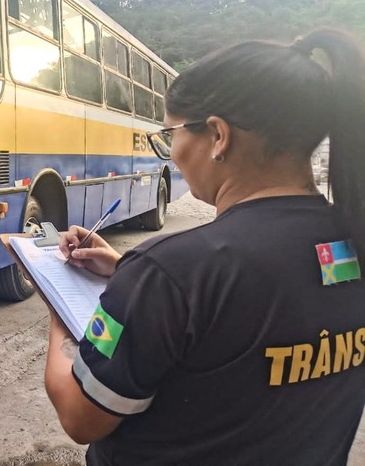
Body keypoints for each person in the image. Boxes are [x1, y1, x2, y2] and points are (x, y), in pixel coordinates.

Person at [46, 29, 365, 465]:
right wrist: (129, 272)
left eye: (169, 133)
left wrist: (57, 311)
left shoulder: (170, 273)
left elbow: (81, 418)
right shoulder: (350, 241)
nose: (171, 151)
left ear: (218, 135)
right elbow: (266, 301)